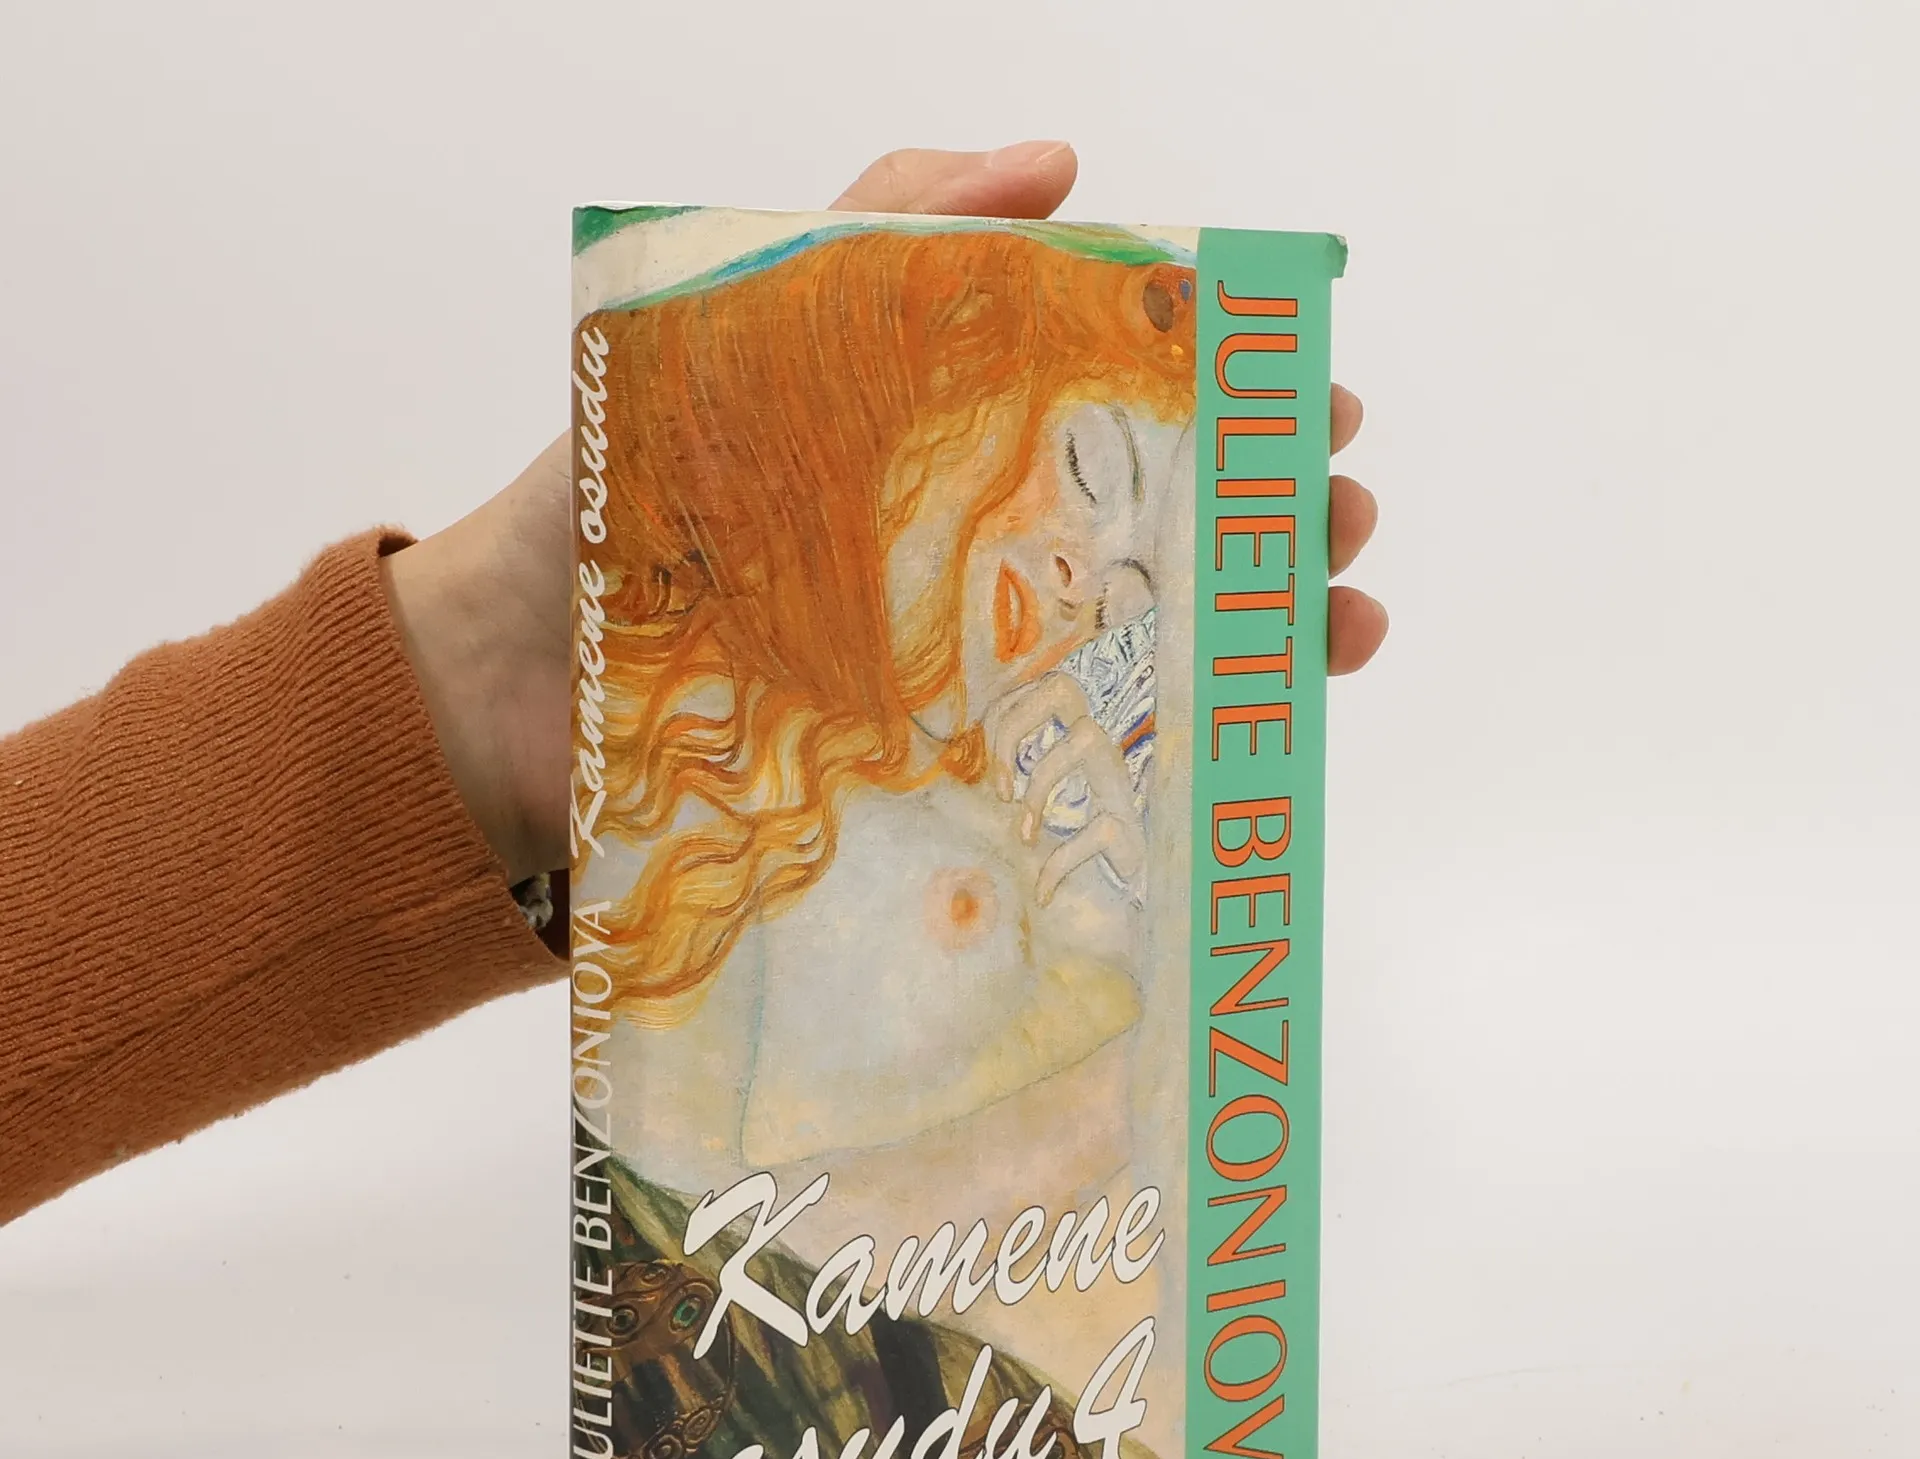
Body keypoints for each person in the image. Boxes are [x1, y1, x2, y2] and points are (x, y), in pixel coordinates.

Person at [0, 142, 1385, 1231]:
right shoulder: (774, 891)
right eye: (1083, 470)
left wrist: (1096, 994)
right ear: (927, 385)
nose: (1085, 587)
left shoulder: (980, 866)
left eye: (1134, 600)